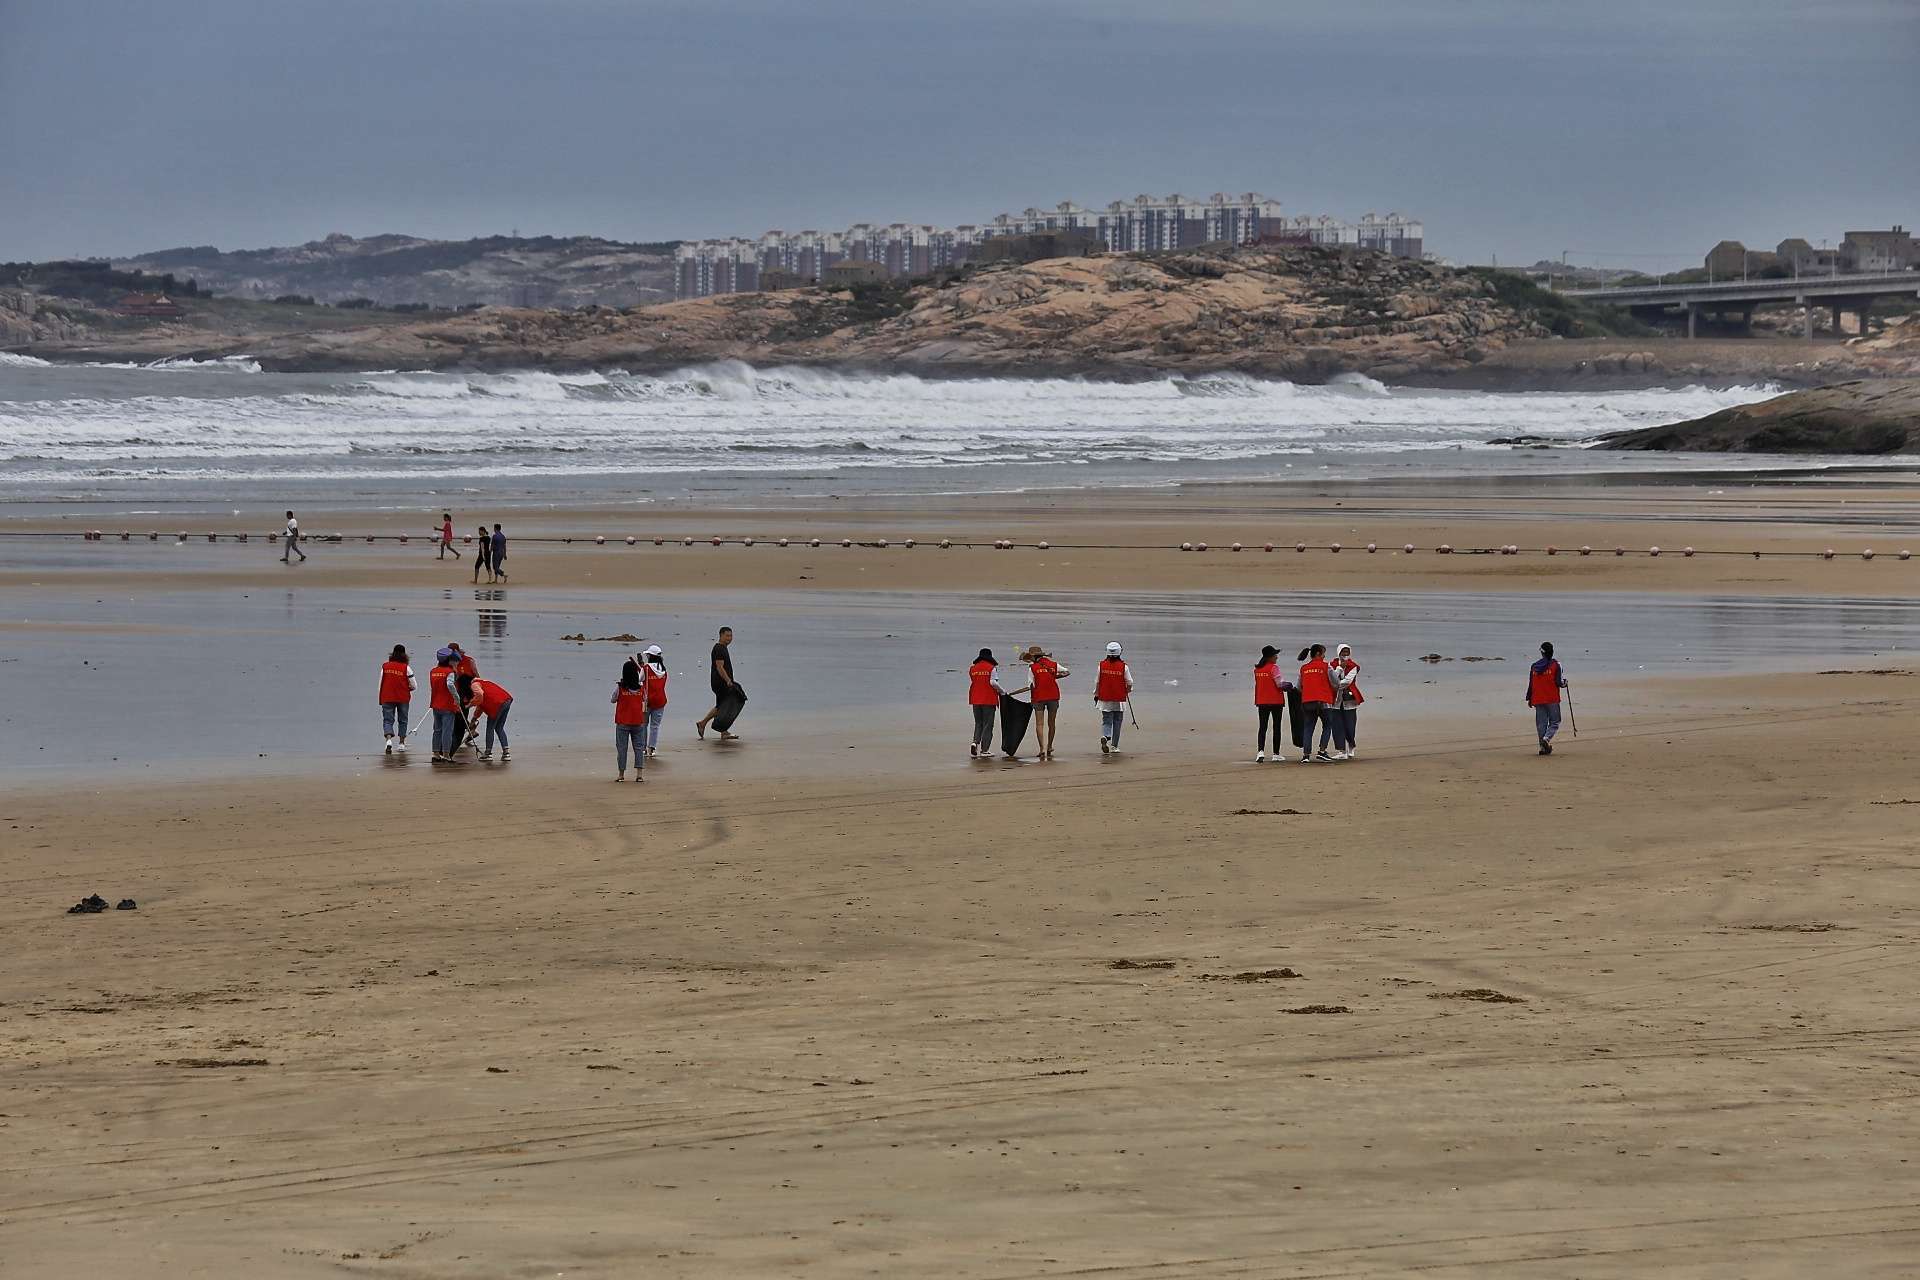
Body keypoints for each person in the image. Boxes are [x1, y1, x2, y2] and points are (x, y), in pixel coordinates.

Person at [1297, 644, 1346, 762]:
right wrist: (1339, 670)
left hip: (1308, 702)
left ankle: (1306, 755)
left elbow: (1299, 686)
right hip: (1324, 701)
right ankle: (1322, 751)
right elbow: (1336, 683)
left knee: (1308, 728)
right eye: (1324, 653)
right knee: (1327, 726)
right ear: (1318, 654)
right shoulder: (1326, 667)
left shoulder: (1304, 668)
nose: (1325, 656)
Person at [1021, 645, 1070, 760]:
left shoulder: (1032, 668)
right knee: (1051, 723)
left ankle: (1042, 749)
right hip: (1053, 696)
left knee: (1039, 724)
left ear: (1033, 657)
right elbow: (1067, 672)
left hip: (1038, 697)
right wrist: (1055, 677)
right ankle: (1050, 746)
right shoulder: (1054, 665)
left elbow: (1030, 685)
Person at [695, 627, 740, 739]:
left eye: (731, 636)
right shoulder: (719, 648)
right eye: (727, 636)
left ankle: (722, 731)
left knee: (722, 706)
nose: (729, 638)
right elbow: (719, 667)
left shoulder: (723, 648)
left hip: (720, 682)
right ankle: (703, 723)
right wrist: (728, 680)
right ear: (721, 635)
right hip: (720, 683)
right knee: (722, 706)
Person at [1527, 641, 1568, 755]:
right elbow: (1559, 682)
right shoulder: (1556, 664)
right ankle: (1546, 739)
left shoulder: (1534, 666)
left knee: (1541, 724)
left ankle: (1543, 747)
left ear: (1542, 653)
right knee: (1555, 721)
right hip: (1552, 698)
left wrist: (1529, 698)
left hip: (1538, 698)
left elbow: (1531, 683)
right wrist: (1565, 683)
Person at [613, 658, 649, 781]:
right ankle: (639, 775)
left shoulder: (620, 688)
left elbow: (613, 699)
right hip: (638, 722)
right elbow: (645, 700)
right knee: (639, 748)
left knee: (622, 748)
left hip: (623, 721)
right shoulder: (641, 689)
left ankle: (621, 775)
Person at [1094, 641, 1133, 755]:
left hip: (1104, 699)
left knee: (1106, 720)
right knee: (1117, 721)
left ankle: (1106, 736)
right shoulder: (1124, 667)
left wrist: (1096, 695)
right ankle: (1114, 746)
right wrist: (1128, 690)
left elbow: (1097, 682)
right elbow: (1129, 682)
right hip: (1119, 699)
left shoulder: (1101, 665)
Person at [378, 644, 417, 754]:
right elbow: (414, 685)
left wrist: (381, 698)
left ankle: (389, 740)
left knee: (388, 720)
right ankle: (401, 743)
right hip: (403, 697)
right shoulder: (406, 668)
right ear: (404, 655)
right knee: (403, 720)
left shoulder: (385, 666)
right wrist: (406, 689)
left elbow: (381, 684)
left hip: (387, 696)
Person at [1328, 642, 1364, 760]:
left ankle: (1351, 746)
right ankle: (1341, 750)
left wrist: (1336, 684)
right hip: (1335, 700)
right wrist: (1339, 669)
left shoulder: (1353, 666)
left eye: (1347, 652)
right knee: (1337, 725)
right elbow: (1330, 677)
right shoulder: (1331, 664)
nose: (1345, 654)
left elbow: (1348, 681)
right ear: (1339, 652)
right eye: (1343, 652)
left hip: (1349, 700)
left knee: (1349, 725)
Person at [1253, 644, 1288, 763]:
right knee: (1276, 727)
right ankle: (1276, 754)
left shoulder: (1257, 669)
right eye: (1275, 655)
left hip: (1262, 701)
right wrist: (1288, 686)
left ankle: (1260, 751)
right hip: (1275, 701)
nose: (1277, 657)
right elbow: (1280, 684)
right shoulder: (1274, 668)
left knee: (1262, 727)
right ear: (1269, 657)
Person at [427, 647, 462, 762]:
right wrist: (457, 698)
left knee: (437, 730)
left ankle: (435, 753)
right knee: (447, 730)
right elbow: (450, 685)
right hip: (447, 705)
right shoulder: (449, 672)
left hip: (435, 704)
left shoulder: (433, 671)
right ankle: (446, 755)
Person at [968, 648, 1003, 759]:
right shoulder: (991, 668)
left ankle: (975, 742)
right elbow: (993, 682)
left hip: (975, 699)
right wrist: (1002, 691)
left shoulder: (972, 669)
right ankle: (984, 750)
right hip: (988, 699)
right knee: (988, 725)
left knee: (978, 723)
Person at [468, 674, 512, 762]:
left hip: (496, 704)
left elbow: (479, 695)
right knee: (499, 728)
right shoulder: (485, 682)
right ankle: (506, 753)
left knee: (490, 728)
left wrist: (469, 705)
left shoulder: (474, 684)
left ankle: (488, 753)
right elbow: (481, 705)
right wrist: (474, 718)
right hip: (507, 700)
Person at [449, 643, 480, 750]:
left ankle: (465, 733)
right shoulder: (449, 661)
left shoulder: (469, 661)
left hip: (466, 694)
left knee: (460, 716)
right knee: (457, 716)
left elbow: (477, 676)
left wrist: (478, 690)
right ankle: (470, 729)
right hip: (454, 693)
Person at [640, 644, 669, 757]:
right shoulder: (663, 669)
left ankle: (643, 748)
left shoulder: (646, 668)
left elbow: (639, 680)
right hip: (660, 700)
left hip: (647, 701)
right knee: (655, 726)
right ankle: (651, 748)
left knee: (643, 724)